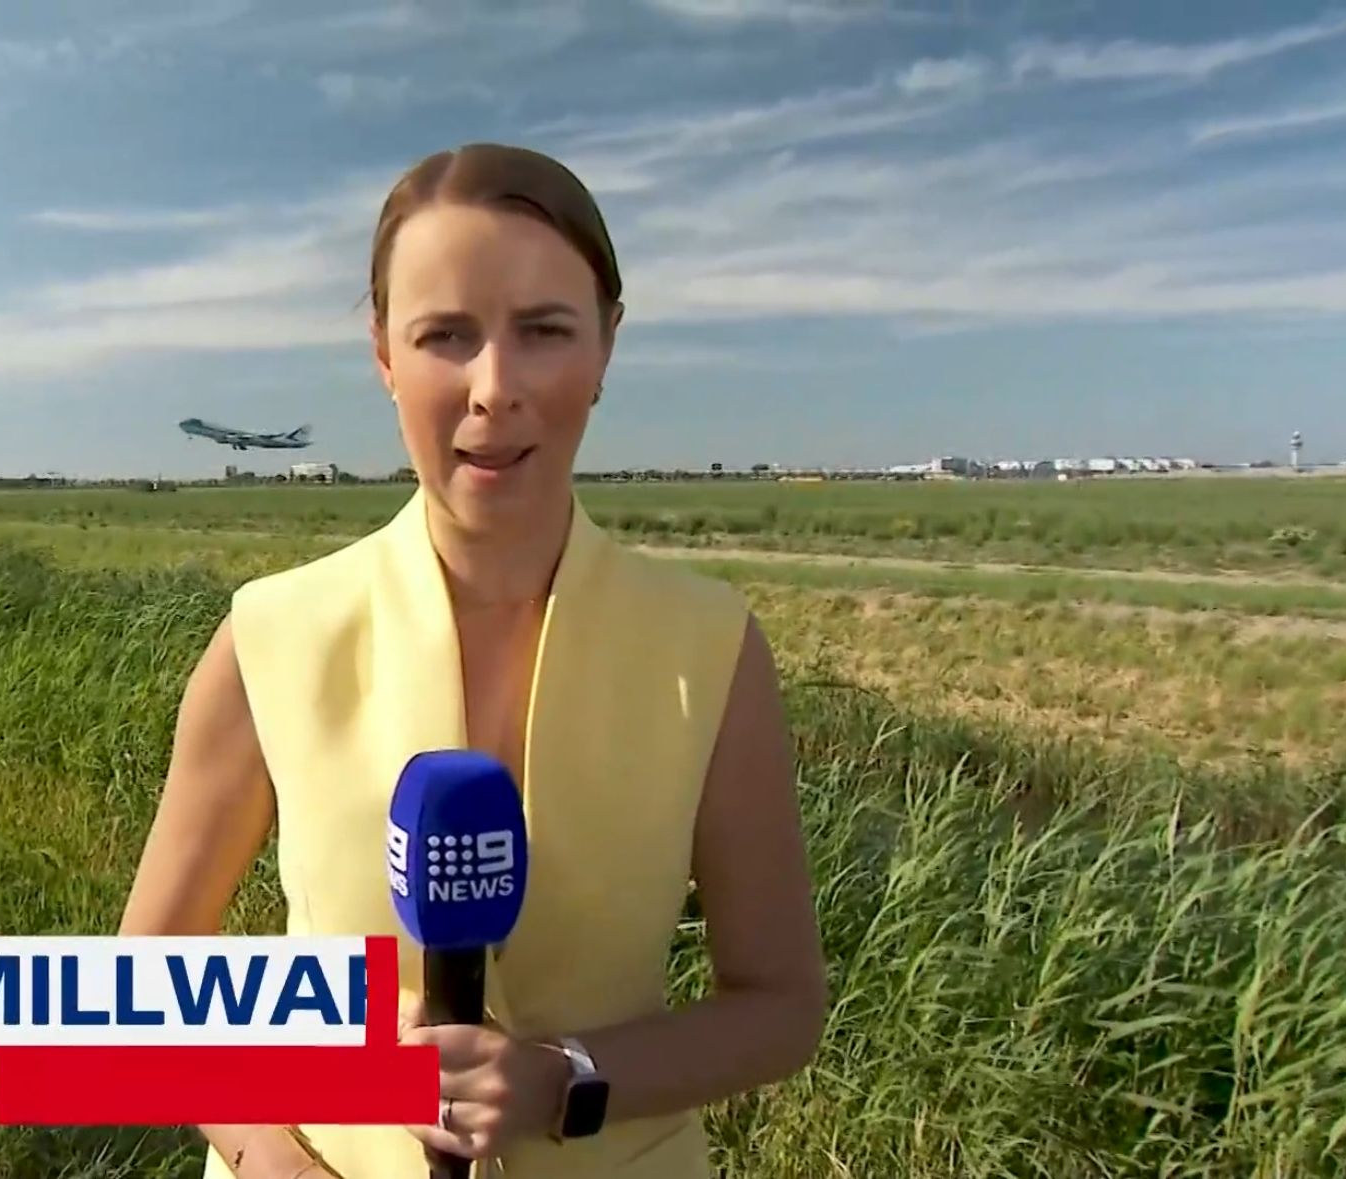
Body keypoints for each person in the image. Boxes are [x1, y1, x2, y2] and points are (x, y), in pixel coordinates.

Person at [121, 143, 827, 1179]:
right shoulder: (270, 638)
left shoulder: (709, 648)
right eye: (445, 335)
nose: (494, 388)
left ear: (606, 345)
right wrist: (266, 1154)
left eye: (544, 330)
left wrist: (563, 1079)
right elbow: (150, 977)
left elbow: (779, 1006)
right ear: (383, 355)